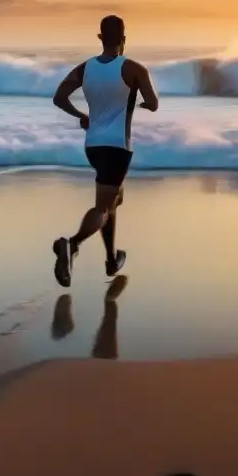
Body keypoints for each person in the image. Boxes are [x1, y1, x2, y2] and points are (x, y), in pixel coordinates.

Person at [51, 15, 159, 287]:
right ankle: (71, 245)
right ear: (124, 39)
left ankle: (111, 259)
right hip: (117, 147)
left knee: (114, 199)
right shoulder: (134, 68)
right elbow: (153, 103)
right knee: (103, 207)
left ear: (100, 38)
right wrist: (139, 103)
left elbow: (59, 98)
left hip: (93, 146)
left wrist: (82, 115)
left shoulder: (85, 68)